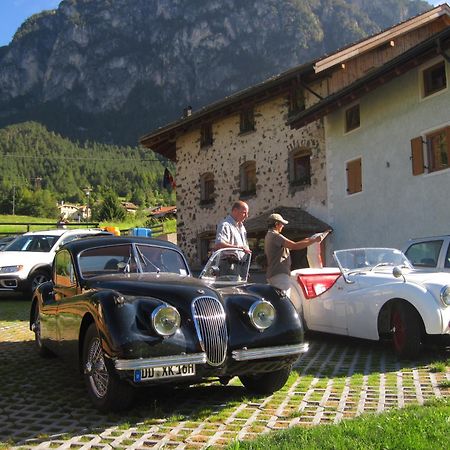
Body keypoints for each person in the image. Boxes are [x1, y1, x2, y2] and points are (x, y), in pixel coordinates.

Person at [264, 213, 321, 297]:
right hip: (279, 274)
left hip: (275, 273)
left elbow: (291, 245)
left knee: (279, 301)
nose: (283, 226)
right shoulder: (275, 236)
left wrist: (307, 240)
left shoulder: (270, 235)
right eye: (281, 224)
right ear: (276, 224)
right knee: (284, 301)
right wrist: (314, 240)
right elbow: (294, 246)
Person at [215, 201, 251, 278]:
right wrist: (239, 248)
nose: (246, 216)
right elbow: (219, 244)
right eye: (244, 213)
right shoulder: (225, 225)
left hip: (240, 266)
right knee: (228, 290)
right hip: (229, 266)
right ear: (235, 211)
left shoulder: (242, 227)